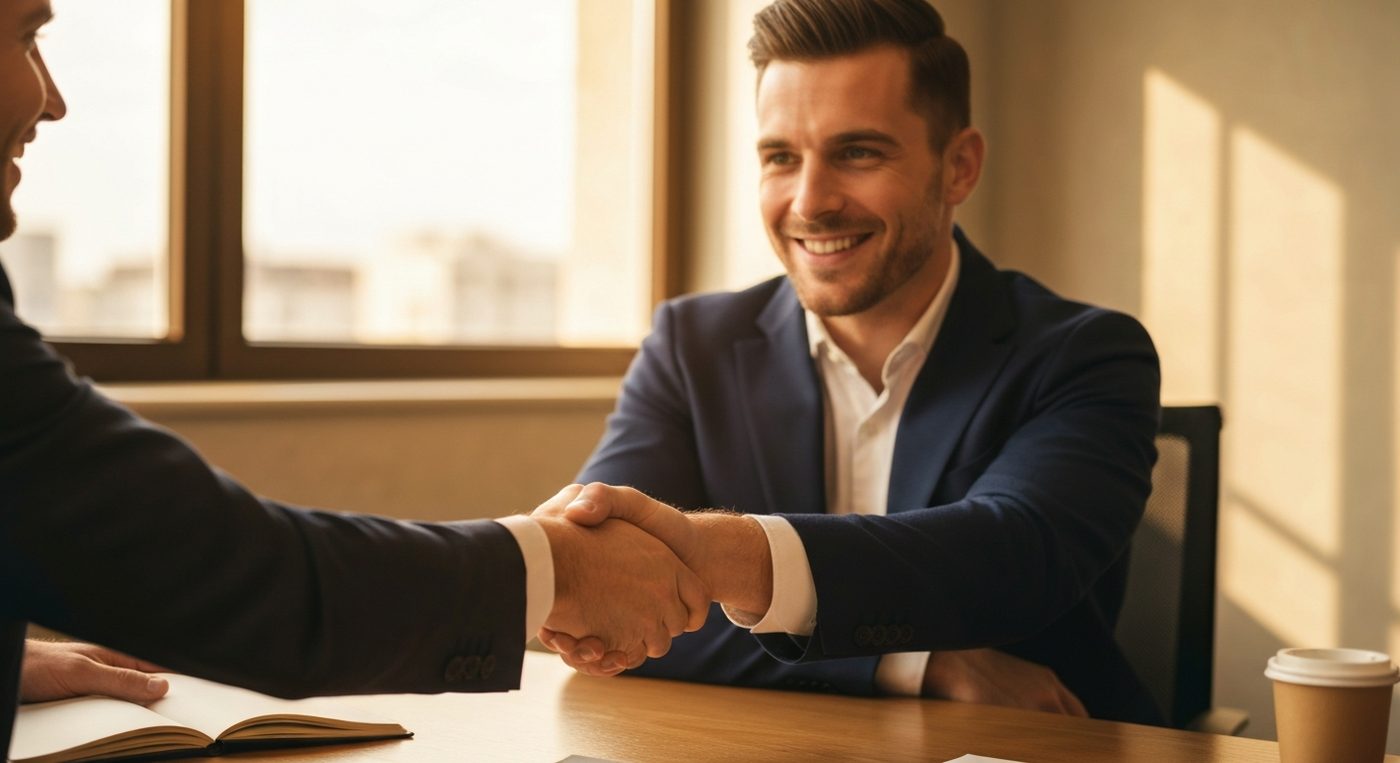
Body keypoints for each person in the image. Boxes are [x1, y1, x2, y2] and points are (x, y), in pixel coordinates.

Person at [0, 0, 707, 753]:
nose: (54, 98)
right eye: (25, 37)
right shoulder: (690, 341)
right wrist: (554, 566)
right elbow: (240, 574)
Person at [539, 0, 1163, 725]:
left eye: (858, 152)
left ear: (958, 166)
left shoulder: (1086, 354)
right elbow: (606, 604)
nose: (810, 202)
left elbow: (1010, 558)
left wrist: (715, 554)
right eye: (780, 158)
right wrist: (914, 662)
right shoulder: (691, 343)